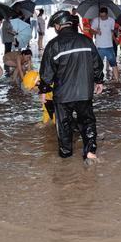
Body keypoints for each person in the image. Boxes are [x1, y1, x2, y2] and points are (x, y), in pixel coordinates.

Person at [40, 10, 105, 161]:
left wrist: (44, 90)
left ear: (58, 26)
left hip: (62, 95)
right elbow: (97, 64)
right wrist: (99, 81)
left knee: (64, 125)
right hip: (84, 92)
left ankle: (66, 155)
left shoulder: (53, 45)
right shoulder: (86, 41)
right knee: (87, 121)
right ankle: (89, 151)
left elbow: (47, 71)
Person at [91, 7, 118, 82]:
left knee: (114, 64)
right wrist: (96, 32)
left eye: (104, 16)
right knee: (98, 66)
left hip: (109, 46)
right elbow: (91, 31)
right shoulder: (96, 20)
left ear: (107, 14)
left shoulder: (111, 20)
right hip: (99, 47)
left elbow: (112, 32)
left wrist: (115, 40)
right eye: (101, 16)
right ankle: (98, 82)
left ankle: (117, 81)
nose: (102, 17)